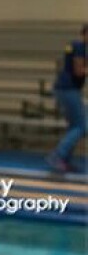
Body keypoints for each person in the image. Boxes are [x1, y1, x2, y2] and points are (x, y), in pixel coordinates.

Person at [47, 24, 86, 172]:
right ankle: (58, 155)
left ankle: (64, 160)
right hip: (68, 89)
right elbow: (78, 71)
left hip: (66, 89)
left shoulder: (76, 46)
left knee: (74, 125)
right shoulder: (79, 46)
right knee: (81, 126)